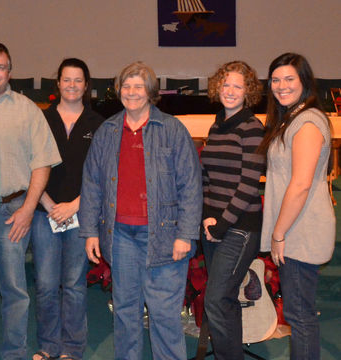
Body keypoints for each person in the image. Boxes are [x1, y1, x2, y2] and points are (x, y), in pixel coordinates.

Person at [80, 61, 202, 360]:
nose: (132, 92)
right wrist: (90, 231)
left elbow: (190, 185)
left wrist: (185, 234)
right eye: (126, 86)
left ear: (150, 92)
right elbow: (92, 183)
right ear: (118, 90)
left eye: (138, 86)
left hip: (165, 236)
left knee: (164, 315)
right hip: (120, 236)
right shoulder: (108, 131)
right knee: (125, 311)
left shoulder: (172, 129)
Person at [0, 42, 60, 360]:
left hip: (12, 212)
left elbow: (42, 164)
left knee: (16, 290)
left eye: (1, 66)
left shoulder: (27, 109)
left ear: (9, 72)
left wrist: (28, 209)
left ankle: (15, 354)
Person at [259, 52, 335, 359]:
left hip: (301, 230)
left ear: (304, 81)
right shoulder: (291, 118)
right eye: (276, 80)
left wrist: (278, 234)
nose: (281, 86)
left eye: (289, 79)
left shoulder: (307, 122)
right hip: (295, 226)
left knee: (299, 315)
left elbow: (301, 184)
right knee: (298, 311)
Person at [30, 58, 104, 360]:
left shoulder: (98, 124)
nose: (72, 85)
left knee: (74, 285)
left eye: (78, 80)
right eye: (66, 79)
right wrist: (47, 204)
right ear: (58, 83)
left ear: (86, 86)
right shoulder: (40, 120)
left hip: (80, 214)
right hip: (43, 213)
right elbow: (28, 164)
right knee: (46, 285)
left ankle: (72, 349)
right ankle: (49, 346)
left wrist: (75, 205)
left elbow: (103, 173)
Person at [200, 61, 265, 360]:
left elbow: (249, 184)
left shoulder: (252, 128)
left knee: (216, 300)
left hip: (239, 227)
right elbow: (207, 177)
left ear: (248, 92)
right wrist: (206, 217)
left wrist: (221, 225)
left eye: (238, 86)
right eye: (226, 84)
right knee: (225, 301)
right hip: (214, 224)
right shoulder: (216, 126)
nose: (230, 90)